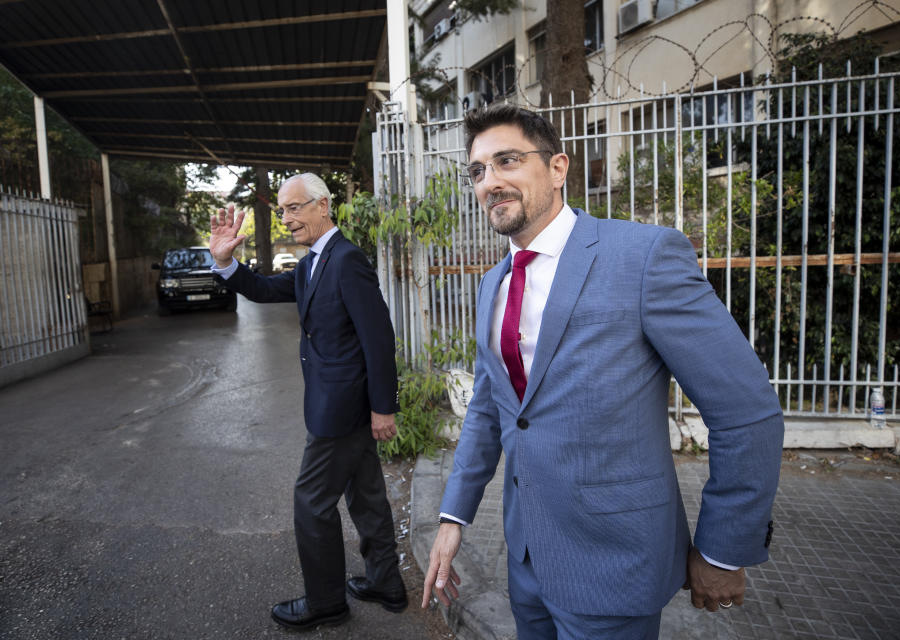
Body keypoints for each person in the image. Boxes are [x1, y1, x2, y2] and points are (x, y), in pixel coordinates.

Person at [421, 104, 784, 639]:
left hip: (614, 565)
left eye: (507, 161)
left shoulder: (642, 257)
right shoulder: (493, 284)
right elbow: (490, 408)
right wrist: (453, 518)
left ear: (559, 168)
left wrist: (724, 550)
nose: (490, 182)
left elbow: (746, 412)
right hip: (525, 560)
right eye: (478, 171)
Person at [209, 173, 407, 631]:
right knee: (367, 496)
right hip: (342, 406)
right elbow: (262, 290)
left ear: (323, 206)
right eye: (282, 210)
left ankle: (326, 604)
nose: (287, 218)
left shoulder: (347, 260)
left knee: (311, 503)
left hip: (341, 411)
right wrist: (225, 264)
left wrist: (384, 407)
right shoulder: (313, 263)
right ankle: (385, 583)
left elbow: (378, 340)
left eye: (295, 208)